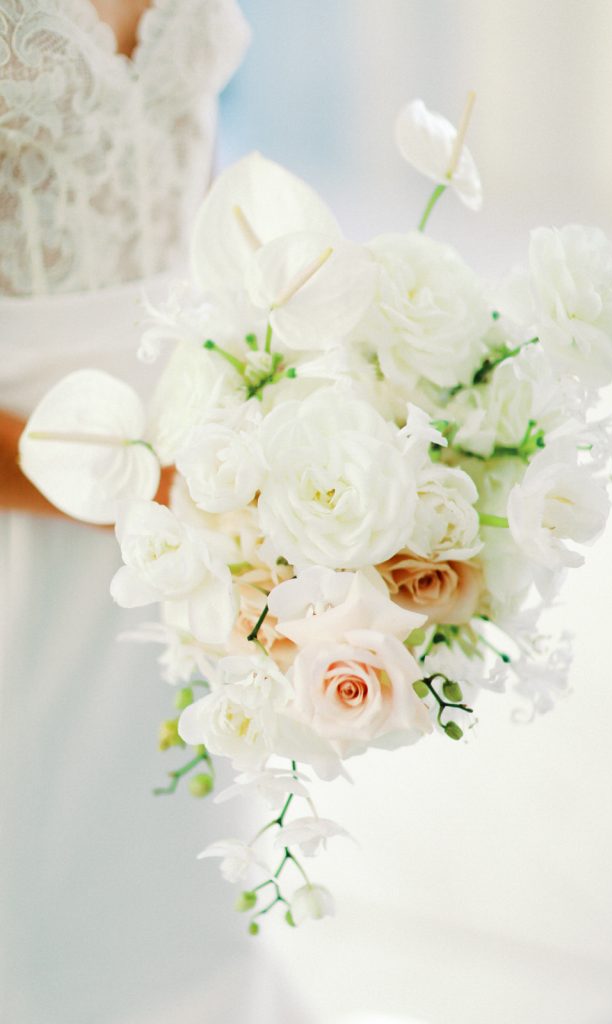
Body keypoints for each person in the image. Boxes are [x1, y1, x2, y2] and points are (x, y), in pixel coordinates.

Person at [0, 3, 308, 1021]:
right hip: (34, 515)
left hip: (186, 486)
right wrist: (117, 480)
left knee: (177, 893)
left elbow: (189, 178)